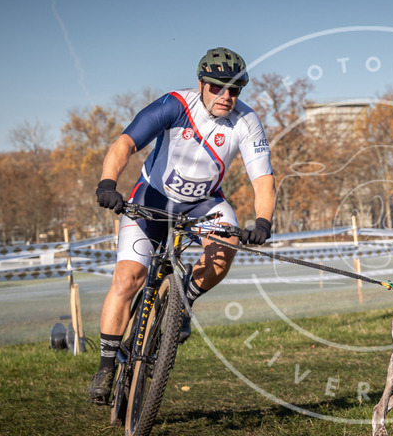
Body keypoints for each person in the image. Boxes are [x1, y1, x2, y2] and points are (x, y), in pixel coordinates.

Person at [87, 47, 275, 404]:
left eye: (234, 90)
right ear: (202, 84)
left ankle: (181, 302)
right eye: (218, 87)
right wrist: (108, 183)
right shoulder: (175, 104)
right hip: (152, 199)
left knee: (224, 251)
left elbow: (263, 180)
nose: (226, 96)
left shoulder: (247, 122)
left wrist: (263, 222)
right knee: (128, 279)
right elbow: (125, 143)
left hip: (204, 203)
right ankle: (106, 366)